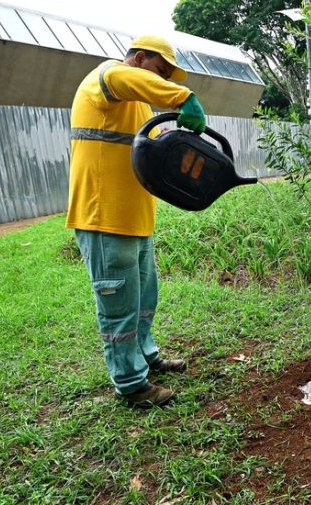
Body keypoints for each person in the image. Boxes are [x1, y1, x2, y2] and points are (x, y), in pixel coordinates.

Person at [66, 35, 206, 409]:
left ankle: (146, 355)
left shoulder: (138, 107)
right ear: (140, 58)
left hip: (135, 218)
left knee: (144, 298)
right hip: (103, 216)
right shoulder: (107, 78)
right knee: (119, 305)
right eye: (160, 72)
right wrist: (182, 98)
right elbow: (131, 80)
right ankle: (130, 384)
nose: (164, 83)